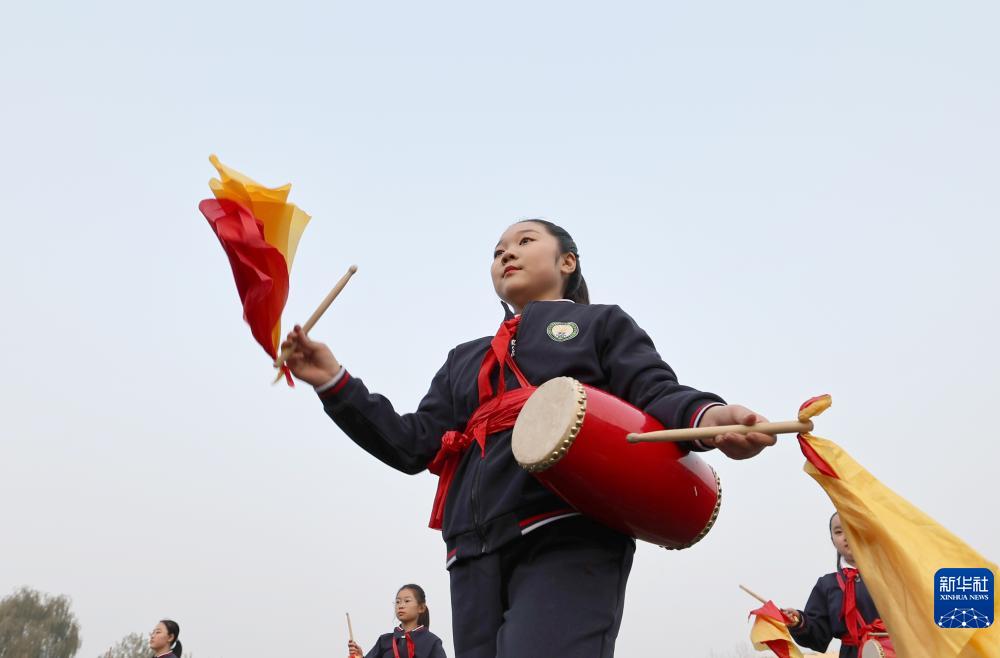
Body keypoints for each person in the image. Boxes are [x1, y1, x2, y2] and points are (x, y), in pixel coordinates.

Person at [284, 219, 777, 657]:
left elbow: (654, 393)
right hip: (470, 551)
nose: (506, 254)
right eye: (497, 251)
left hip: (565, 528)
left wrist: (712, 417)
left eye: (524, 241)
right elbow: (413, 444)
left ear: (567, 262)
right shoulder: (463, 359)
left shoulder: (598, 323)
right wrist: (334, 382)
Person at [783, 513, 893, 657]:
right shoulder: (827, 584)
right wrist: (798, 622)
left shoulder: (893, 577)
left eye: (853, 528)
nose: (846, 536)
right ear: (833, 541)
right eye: (839, 532)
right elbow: (818, 636)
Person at [349, 584, 447, 658]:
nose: (400, 605)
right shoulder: (384, 640)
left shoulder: (431, 641)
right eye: (397, 602)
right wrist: (359, 656)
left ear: (421, 608)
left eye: (407, 601)